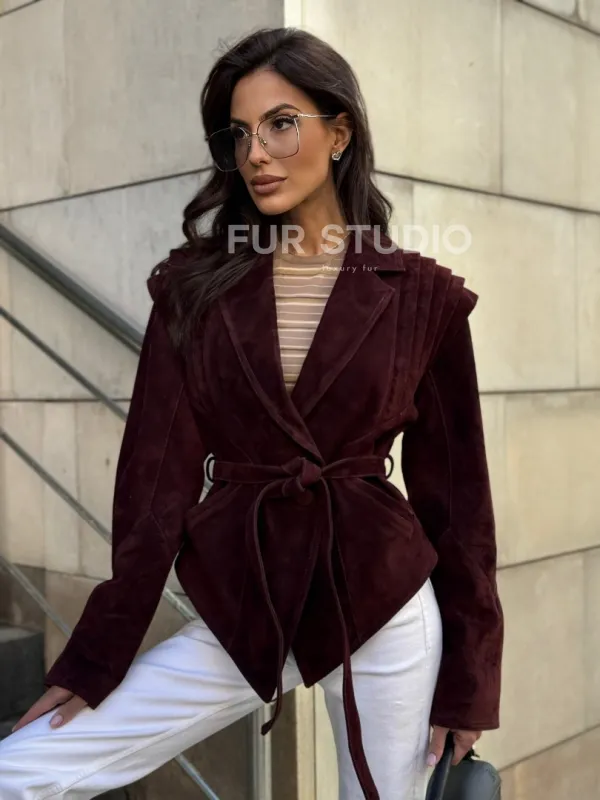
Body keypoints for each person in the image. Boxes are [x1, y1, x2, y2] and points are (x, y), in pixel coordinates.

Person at [0, 26, 503, 800]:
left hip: (384, 601)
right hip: (247, 598)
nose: (257, 153)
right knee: (27, 767)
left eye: (281, 124)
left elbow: (459, 506)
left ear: (339, 133)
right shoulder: (193, 290)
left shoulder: (422, 297)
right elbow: (155, 485)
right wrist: (97, 657)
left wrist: (469, 680)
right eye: (239, 134)